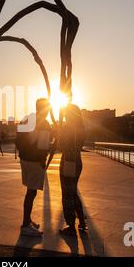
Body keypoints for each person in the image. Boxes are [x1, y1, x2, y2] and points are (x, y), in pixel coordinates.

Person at [16, 98, 52, 236]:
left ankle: (28, 220)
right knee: (31, 192)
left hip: (25, 159)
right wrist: (43, 161)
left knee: (30, 192)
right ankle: (25, 224)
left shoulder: (28, 118)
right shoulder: (44, 123)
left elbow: (19, 139)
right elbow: (43, 146)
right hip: (34, 160)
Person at [58, 104, 87, 236]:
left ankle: (71, 226)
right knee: (73, 192)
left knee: (67, 194)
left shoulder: (68, 127)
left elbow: (61, 145)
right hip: (77, 159)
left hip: (68, 161)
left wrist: (60, 126)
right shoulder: (81, 127)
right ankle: (81, 221)